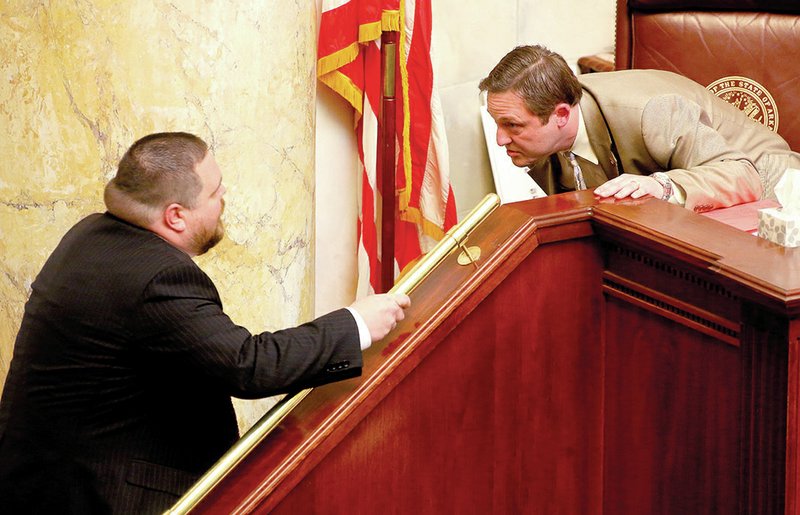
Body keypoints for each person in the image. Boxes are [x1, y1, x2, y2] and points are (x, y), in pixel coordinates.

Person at [0, 132, 411, 514]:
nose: (224, 196)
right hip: (107, 495)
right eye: (215, 192)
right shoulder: (155, 275)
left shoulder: (92, 234)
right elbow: (249, 366)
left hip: (50, 480)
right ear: (176, 216)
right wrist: (356, 322)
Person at [479, 44, 800, 212]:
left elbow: (741, 174)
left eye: (512, 125)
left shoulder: (653, 112)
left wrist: (659, 187)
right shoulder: (544, 129)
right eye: (498, 123)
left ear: (561, 114)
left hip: (770, 185)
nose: (500, 138)